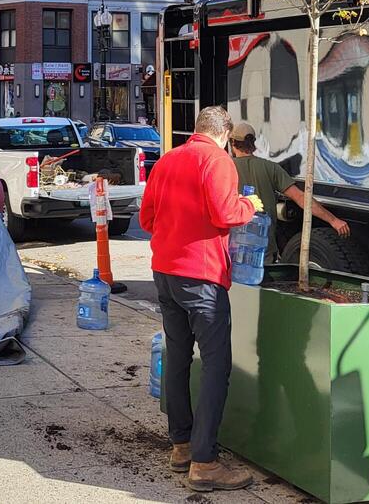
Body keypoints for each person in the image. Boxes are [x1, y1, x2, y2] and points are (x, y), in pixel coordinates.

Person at [140, 105, 257, 492]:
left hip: (165, 272)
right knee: (215, 365)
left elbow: (146, 220)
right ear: (224, 135)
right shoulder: (219, 161)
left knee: (177, 359)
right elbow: (226, 213)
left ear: (197, 129)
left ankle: (182, 446)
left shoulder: (166, 161)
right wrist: (250, 206)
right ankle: (205, 463)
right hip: (202, 276)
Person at [228, 121, 349, 260]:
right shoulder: (271, 168)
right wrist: (333, 220)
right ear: (253, 143)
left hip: (232, 250)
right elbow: (300, 197)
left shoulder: (225, 167)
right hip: (263, 253)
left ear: (232, 142)